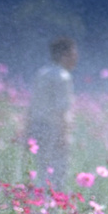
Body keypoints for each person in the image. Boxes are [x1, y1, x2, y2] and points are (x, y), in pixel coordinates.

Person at [26, 37, 78, 189]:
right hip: (54, 130)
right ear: (65, 54)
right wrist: (64, 135)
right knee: (57, 174)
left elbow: (32, 105)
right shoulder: (62, 77)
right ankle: (49, 207)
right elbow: (61, 110)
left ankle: (37, 205)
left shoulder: (42, 73)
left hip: (38, 127)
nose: (76, 57)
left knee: (42, 171)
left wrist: (26, 131)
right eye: (74, 53)